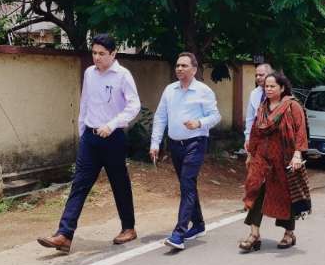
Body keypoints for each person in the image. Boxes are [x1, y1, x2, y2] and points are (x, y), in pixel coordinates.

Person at [38, 34, 140, 253]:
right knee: (79, 184)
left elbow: (134, 106)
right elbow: (84, 103)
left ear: (113, 54)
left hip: (113, 138)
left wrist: (112, 124)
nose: (97, 57)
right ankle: (64, 235)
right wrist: (82, 133)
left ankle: (128, 228)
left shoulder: (122, 75)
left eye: (102, 53)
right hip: (90, 139)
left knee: (119, 184)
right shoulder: (89, 73)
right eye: (94, 53)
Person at [150, 52, 221, 250]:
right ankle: (198, 224)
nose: (179, 69)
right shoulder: (170, 90)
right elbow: (160, 117)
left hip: (195, 143)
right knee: (187, 184)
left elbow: (216, 116)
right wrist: (155, 143)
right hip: (175, 144)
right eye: (177, 65)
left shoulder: (203, 91)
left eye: (184, 65)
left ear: (194, 69)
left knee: (187, 184)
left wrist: (199, 123)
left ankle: (179, 234)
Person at [239, 72, 310, 251]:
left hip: (284, 158)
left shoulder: (292, 106)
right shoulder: (262, 107)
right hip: (262, 157)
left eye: (272, 86)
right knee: (255, 190)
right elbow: (255, 132)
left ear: (282, 88)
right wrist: (251, 154)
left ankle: (289, 233)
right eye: (266, 86)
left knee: (285, 195)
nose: (268, 89)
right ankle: (254, 234)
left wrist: (297, 154)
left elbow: (300, 131)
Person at [244, 63, 273, 151]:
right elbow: (250, 118)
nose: (258, 77)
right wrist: (247, 138)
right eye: (256, 75)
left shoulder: (279, 93)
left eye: (261, 75)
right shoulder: (254, 93)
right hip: (258, 137)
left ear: (270, 75)